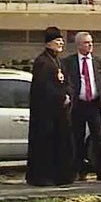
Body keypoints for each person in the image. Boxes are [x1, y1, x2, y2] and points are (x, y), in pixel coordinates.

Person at [26, 27, 76, 187]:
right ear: (49, 43)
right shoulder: (42, 62)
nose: (61, 43)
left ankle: (62, 176)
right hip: (46, 114)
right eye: (57, 40)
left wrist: (68, 93)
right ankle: (42, 177)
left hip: (60, 114)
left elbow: (66, 82)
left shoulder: (59, 61)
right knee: (45, 146)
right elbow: (44, 87)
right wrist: (61, 96)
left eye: (61, 40)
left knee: (62, 144)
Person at [62, 32, 101, 181]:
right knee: (77, 138)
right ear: (78, 45)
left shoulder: (96, 61)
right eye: (86, 43)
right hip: (78, 104)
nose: (90, 45)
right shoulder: (69, 62)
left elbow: (99, 80)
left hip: (94, 104)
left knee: (98, 138)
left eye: (91, 42)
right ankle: (78, 170)